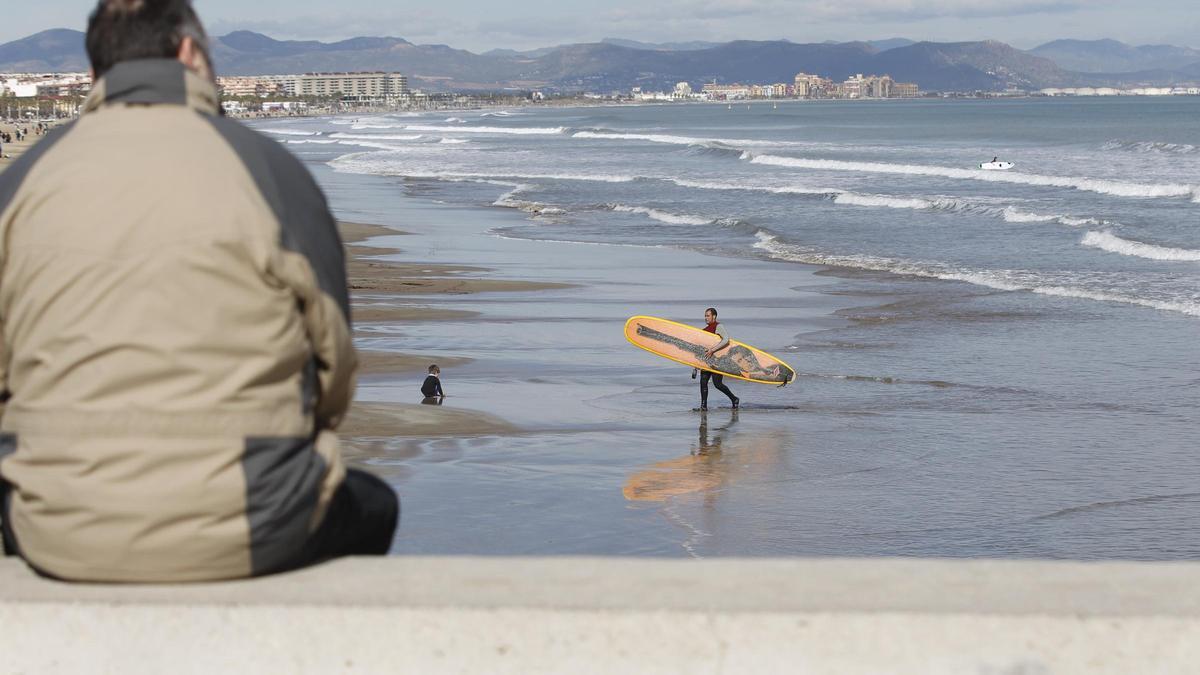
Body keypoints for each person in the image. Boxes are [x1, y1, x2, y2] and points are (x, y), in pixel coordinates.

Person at [0, 0, 397, 583]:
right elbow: (334, 369)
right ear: (190, 53)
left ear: (93, 76)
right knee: (374, 504)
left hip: (55, 527)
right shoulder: (270, 170)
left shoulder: (24, 178)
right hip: (251, 521)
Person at [691, 308, 739, 410]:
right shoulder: (704, 331)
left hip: (717, 361)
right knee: (703, 382)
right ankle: (703, 406)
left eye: (708, 316)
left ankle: (734, 398)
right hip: (707, 361)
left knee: (718, 384)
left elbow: (726, 339)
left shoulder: (718, 326)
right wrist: (695, 364)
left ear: (714, 316)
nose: (706, 318)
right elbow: (701, 349)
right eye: (705, 316)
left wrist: (713, 350)